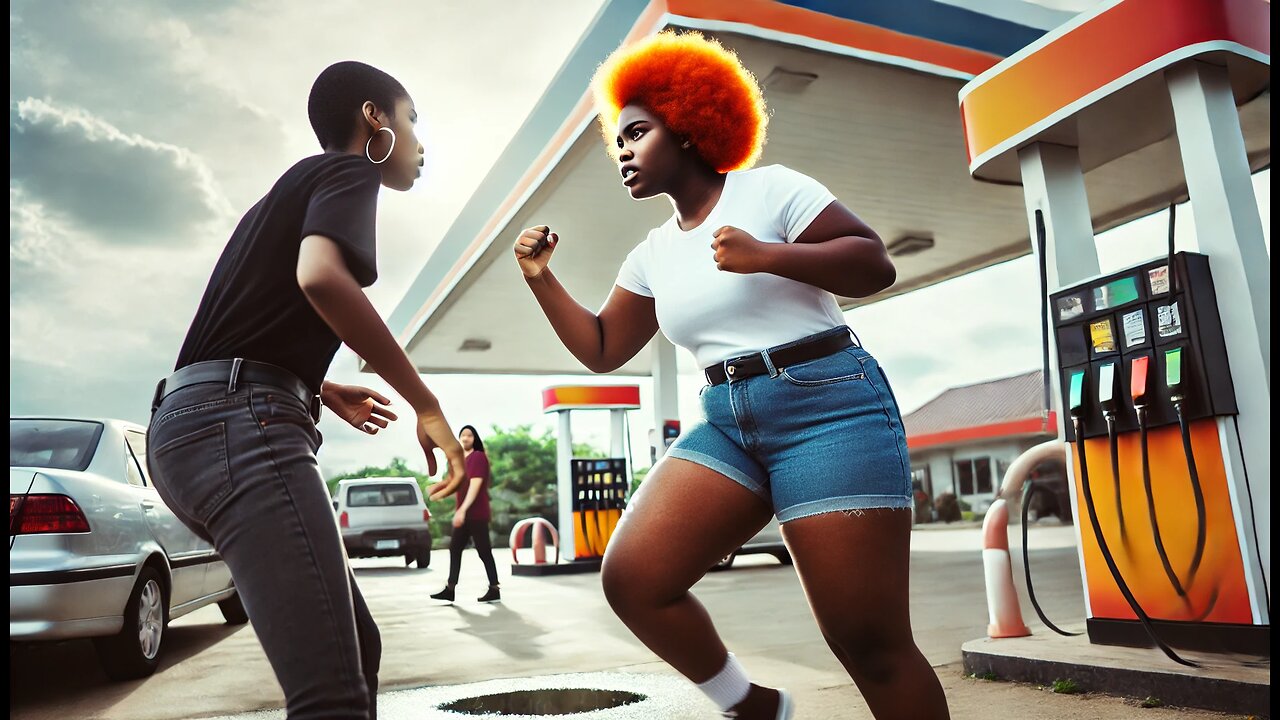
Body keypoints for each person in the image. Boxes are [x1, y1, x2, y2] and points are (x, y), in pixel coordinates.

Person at [511, 32, 949, 720]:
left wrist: (769, 255)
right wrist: (542, 281)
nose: (621, 151)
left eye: (637, 132)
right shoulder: (652, 253)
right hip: (729, 420)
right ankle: (749, 705)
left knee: (868, 642)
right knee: (635, 577)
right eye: (616, 140)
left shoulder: (771, 190)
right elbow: (602, 348)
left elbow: (873, 264)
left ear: (687, 125)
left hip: (828, 404)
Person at [146, 61, 466, 720]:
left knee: (359, 650)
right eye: (413, 121)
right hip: (241, 425)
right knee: (331, 697)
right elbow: (320, 277)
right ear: (374, 117)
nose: (420, 142)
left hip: (192, 426)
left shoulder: (282, 194)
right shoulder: (349, 171)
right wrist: (423, 401)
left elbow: (245, 317)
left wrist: (319, 384)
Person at [431, 425, 501, 603]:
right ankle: (450, 589)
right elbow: (452, 482)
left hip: (476, 514)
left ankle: (494, 589)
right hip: (464, 514)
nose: (465, 438)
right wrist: (438, 490)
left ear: (474, 439)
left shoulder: (478, 457)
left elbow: (475, 486)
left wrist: (462, 510)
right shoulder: (459, 461)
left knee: (484, 551)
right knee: (455, 549)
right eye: (463, 435)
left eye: (469, 435)